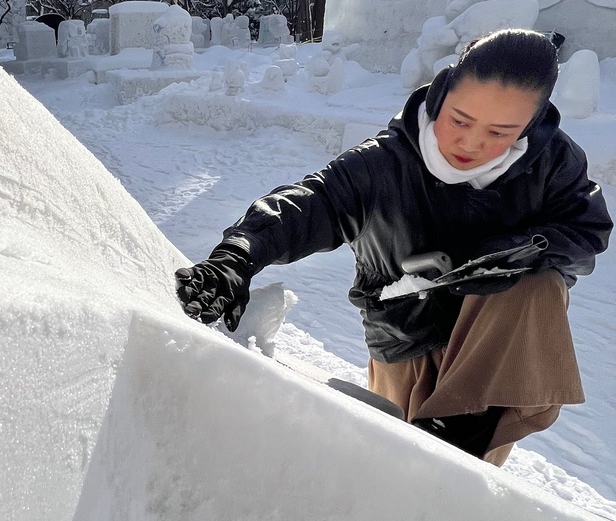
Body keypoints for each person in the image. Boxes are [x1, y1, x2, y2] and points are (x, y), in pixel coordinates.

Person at [174, 29, 612, 465]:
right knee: (384, 473)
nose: (473, 143)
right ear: (440, 96)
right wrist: (237, 256)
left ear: (531, 125)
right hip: (407, 341)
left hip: (496, 361)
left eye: (500, 132)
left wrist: (515, 251)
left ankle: (458, 437)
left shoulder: (553, 162)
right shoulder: (384, 164)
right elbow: (313, 202)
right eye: (460, 120)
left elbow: (587, 228)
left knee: (539, 286)